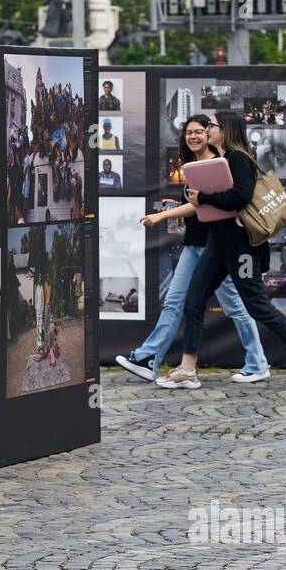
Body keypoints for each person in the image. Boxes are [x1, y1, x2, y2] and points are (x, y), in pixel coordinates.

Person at [158, 110, 286, 390]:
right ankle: (187, 370)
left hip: (242, 248)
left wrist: (203, 198)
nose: (206, 130)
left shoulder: (237, 158)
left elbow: (240, 198)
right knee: (194, 300)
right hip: (218, 244)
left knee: (257, 305)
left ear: (223, 130)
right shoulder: (223, 160)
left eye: (211, 126)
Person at [114, 114, 270, 384]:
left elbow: (208, 203)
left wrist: (164, 215)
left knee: (235, 307)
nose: (195, 136)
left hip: (217, 248)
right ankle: (147, 357)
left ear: (211, 135)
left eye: (201, 130)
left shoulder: (220, 163)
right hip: (194, 244)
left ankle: (257, 363)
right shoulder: (193, 165)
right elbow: (199, 203)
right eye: (190, 132)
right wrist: (175, 204)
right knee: (174, 302)